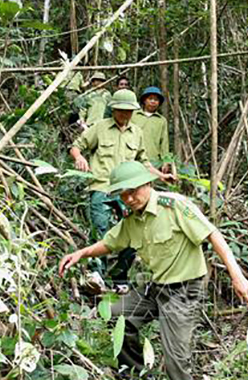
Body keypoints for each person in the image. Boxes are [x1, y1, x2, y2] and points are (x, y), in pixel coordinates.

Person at [59, 161, 248, 380]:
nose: (129, 199)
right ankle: (138, 374)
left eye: (132, 192)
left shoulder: (174, 206)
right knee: (116, 317)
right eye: (123, 195)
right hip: (156, 288)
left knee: (176, 362)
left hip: (184, 290)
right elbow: (111, 243)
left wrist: (237, 276)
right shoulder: (132, 220)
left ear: (148, 183)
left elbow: (212, 234)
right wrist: (81, 253)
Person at [70, 89, 173, 278]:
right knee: (99, 229)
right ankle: (96, 276)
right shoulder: (100, 127)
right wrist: (79, 158)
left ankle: (120, 277)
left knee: (133, 234)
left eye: (128, 111)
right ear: (113, 109)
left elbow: (144, 162)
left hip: (128, 192)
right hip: (101, 187)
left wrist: (161, 176)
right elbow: (77, 146)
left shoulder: (137, 133)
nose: (124, 114)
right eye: (120, 110)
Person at [131, 86, 171, 173]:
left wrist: (166, 161)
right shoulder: (133, 115)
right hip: (133, 157)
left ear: (159, 103)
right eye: (150, 99)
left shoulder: (161, 120)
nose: (153, 102)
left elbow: (164, 142)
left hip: (153, 161)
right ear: (144, 101)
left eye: (156, 100)